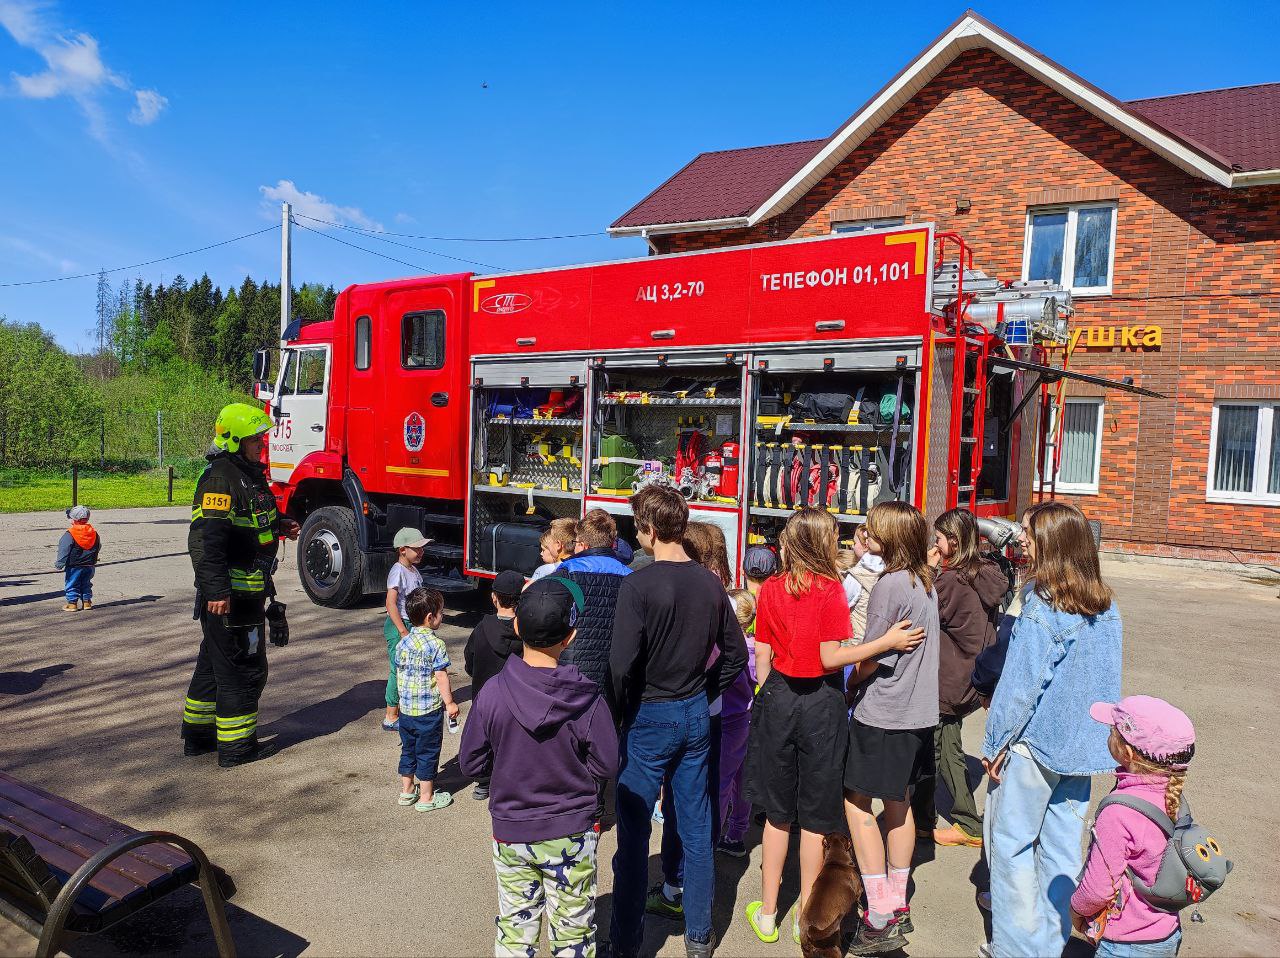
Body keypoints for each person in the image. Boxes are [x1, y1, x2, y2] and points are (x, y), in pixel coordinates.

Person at [745, 506, 924, 947]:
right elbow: (829, 657)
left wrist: (769, 700)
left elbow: (763, 656)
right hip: (821, 704)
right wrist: (884, 643)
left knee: (777, 815)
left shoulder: (770, 589)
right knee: (815, 817)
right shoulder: (828, 591)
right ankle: (806, 909)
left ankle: (767, 912)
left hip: (779, 698)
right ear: (823, 542)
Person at [609, 485, 748, 958]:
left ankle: (625, 941)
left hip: (650, 713)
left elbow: (621, 663)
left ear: (647, 530)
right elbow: (734, 653)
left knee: (632, 834)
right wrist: (706, 688)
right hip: (693, 711)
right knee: (696, 826)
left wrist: (621, 713)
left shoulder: (639, 584)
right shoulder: (709, 583)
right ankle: (699, 937)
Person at [982, 501, 1122, 958]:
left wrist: (995, 742)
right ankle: (1050, 941)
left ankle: (1019, 949)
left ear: (1053, 543)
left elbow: (1021, 687)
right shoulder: (1106, 606)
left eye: (1028, 530)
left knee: (1011, 847)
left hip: (1034, 746)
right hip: (1082, 747)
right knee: (1063, 848)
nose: (1020, 537)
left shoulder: (1043, 605)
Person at [460, 577, 619, 958]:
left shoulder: (493, 693)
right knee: (574, 934)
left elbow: (470, 762)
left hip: (512, 829)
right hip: (572, 830)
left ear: (516, 625)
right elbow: (607, 762)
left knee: (515, 929)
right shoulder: (587, 699)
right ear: (571, 636)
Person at [842, 501, 940, 953]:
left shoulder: (889, 585)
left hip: (883, 711)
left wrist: (848, 686)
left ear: (891, 538)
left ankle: (878, 909)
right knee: (898, 804)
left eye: (873, 529)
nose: (867, 533)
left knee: (857, 804)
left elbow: (869, 656)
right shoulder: (926, 582)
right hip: (918, 713)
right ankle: (897, 900)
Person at [182, 403, 299, 768]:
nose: (261, 444)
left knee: (212, 665)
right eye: (254, 438)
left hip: (248, 593)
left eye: (261, 437)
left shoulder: (247, 474)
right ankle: (237, 747)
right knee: (242, 669)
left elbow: (250, 520)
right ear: (234, 440)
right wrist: (217, 591)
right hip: (231, 597)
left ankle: (199, 738)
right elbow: (206, 541)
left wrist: (280, 525)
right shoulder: (221, 478)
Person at [647, 521, 733, 921]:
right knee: (702, 802)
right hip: (710, 712)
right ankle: (693, 895)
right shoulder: (720, 593)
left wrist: (703, 689)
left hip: (680, 709)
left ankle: (673, 885)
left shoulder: (693, 594)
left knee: (680, 808)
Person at [912, 508, 1009, 849]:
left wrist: (925, 569)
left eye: (938, 539)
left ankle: (968, 822)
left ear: (953, 542)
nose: (934, 544)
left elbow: (920, 610)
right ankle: (922, 819)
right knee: (930, 744)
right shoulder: (983, 572)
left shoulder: (951, 581)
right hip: (971, 673)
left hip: (949, 678)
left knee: (945, 747)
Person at [1071, 696, 1196, 958]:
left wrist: (1076, 909)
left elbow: (1097, 889)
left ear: (1127, 752)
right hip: (1166, 933)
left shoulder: (1119, 812)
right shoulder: (1172, 797)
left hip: (1125, 944)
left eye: (1111, 731)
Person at [556, 509, 633, 695]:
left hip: (571, 671)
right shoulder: (630, 577)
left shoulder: (567, 571)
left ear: (582, 544)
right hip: (613, 675)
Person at [463, 569, 525, 800]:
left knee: (485, 737)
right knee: (512, 740)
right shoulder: (525, 633)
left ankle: (483, 782)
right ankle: (510, 780)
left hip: (485, 695)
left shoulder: (481, 629)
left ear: (493, 597)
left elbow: (470, 661)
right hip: (516, 698)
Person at [394, 587, 457, 812]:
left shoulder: (403, 643)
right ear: (430, 618)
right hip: (428, 710)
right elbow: (440, 676)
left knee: (408, 749)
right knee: (428, 751)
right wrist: (449, 703)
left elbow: (398, 673)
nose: (442, 616)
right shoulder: (436, 645)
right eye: (441, 613)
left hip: (407, 709)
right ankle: (427, 797)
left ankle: (407, 791)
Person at [716, 588, 757, 858]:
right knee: (742, 781)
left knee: (720, 783)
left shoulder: (723, 650)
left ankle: (710, 838)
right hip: (748, 719)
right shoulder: (755, 647)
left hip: (726, 722)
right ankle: (736, 834)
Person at [383, 527, 430, 732]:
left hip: (412, 625)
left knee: (411, 669)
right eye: (417, 548)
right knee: (398, 669)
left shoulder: (413, 570)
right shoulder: (398, 571)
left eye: (422, 548)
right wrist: (402, 631)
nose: (421, 551)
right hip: (399, 625)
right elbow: (391, 604)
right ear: (402, 549)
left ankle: (406, 709)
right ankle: (390, 716)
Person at [55, 505, 101, 611]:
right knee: (86, 583)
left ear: (73, 520)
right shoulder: (93, 532)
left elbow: (64, 548)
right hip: (89, 564)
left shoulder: (70, 534)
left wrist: (60, 563)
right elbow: (98, 546)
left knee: (72, 583)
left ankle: (72, 603)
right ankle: (87, 602)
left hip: (74, 565)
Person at [530, 517, 578, 582]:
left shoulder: (544, 571)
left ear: (558, 545)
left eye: (552, 538)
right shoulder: (585, 567)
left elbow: (528, 590)